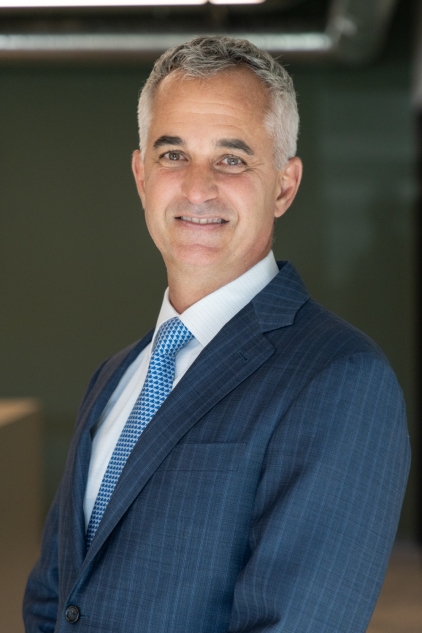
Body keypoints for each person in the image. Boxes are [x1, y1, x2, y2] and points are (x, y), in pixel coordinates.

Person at [23, 35, 410, 633]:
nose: (197, 187)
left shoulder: (341, 379)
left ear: (284, 185)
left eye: (231, 159)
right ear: (141, 175)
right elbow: (56, 598)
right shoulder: (116, 376)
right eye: (173, 154)